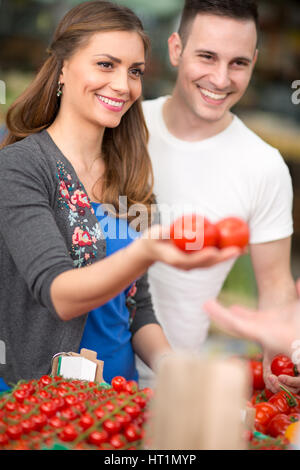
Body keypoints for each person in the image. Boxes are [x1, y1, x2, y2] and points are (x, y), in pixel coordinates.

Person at [0, 0, 240, 387]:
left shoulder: (128, 175)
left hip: (119, 401)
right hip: (41, 404)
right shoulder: (21, 167)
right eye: (105, 64)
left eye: (135, 71)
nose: (123, 85)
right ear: (62, 67)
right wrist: (144, 251)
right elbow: (58, 293)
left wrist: (175, 369)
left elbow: (135, 308)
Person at [137, 0, 298, 392]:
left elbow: (275, 286)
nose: (221, 78)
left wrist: (278, 359)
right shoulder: (124, 127)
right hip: (79, 369)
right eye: (207, 57)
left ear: (254, 62)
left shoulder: (264, 166)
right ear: (176, 49)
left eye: (238, 63)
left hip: (175, 384)